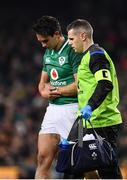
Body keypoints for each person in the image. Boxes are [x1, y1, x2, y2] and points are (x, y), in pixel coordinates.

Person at [67, 19, 123, 179]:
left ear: (83, 36)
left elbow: (105, 83)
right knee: (73, 163)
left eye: (71, 39)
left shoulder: (96, 55)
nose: (70, 43)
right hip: (85, 122)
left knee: (107, 170)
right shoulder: (87, 57)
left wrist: (90, 106)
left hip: (102, 121)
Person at [32, 15, 84, 179]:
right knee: (42, 159)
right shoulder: (48, 52)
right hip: (53, 110)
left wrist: (57, 91)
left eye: (45, 40)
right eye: (40, 41)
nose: (43, 45)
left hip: (74, 110)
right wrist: (43, 91)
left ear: (56, 34)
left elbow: (79, 85)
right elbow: (42, 83)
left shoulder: (73, 50)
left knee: (83, 165)